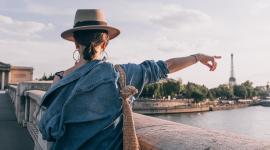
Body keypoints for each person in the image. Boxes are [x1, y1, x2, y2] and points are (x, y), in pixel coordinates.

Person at [38, 9, 221, 150]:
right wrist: (197, 57)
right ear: (105, 43)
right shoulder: (118, 75)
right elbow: (165, 67)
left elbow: (48, 128)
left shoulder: (59, 79)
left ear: (76, 43)